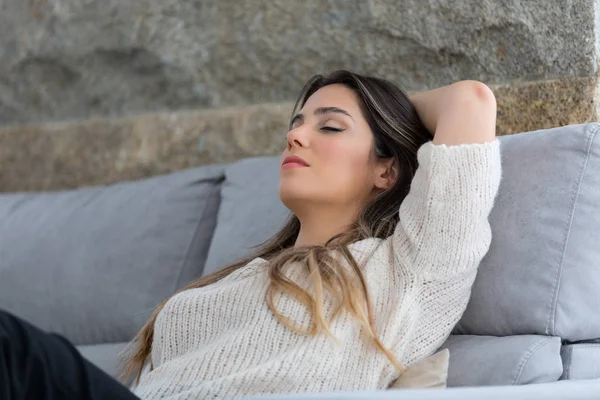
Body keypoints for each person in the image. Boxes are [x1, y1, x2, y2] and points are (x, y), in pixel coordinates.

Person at [0, 69, 502, 399]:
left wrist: (385, 110)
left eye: (329, 127)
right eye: (296, 122)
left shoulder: (405, 272)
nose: (295, 134)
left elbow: (471, 101)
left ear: (386, 171)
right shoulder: (232, 281)